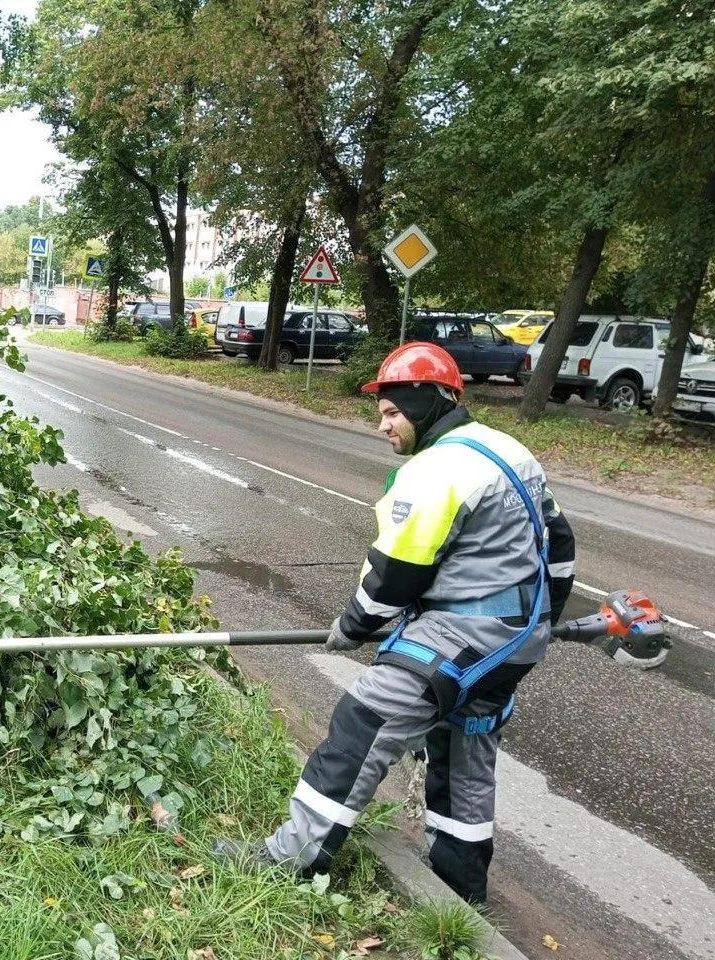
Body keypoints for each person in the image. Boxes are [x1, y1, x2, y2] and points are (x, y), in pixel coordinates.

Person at [214, 341, 576, 904]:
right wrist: (541, 621)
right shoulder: (508, 450)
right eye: (380, 412)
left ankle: (293, 858)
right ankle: (461, 886)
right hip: (512, 642)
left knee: (363, 723)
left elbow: (396, 575)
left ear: (428, 401)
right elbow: (561, 544)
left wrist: (353, 627)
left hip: (461, 637)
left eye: (391, 411)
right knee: (462, 752)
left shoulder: (437, 470)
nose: (383, 424)